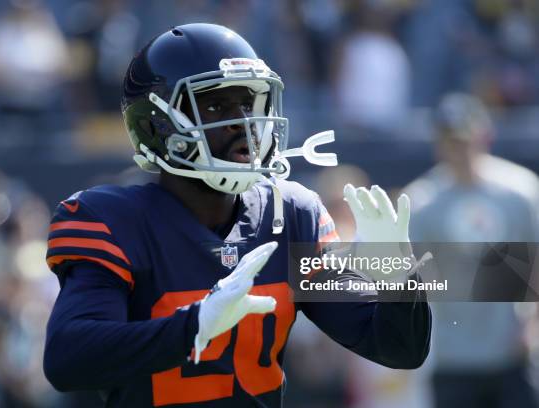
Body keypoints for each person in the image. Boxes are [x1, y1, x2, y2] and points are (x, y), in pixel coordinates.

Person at [43, 23, 431, 407]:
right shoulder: (115, 222)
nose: (244, 123)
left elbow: (399, 350)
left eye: (248, 104)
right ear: (155, 125)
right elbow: (67, 360)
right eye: (215, 105)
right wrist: (191, 328)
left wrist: (400, 279)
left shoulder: (290, 214)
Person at [405, 93, 539, 408]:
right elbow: (411, 279)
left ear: (484, 136)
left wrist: (532, 324)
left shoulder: (519, 193)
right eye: (452, 141)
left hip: (511, 352)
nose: (460, 150)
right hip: (453, 356)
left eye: (466, 139)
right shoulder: (422, 202)